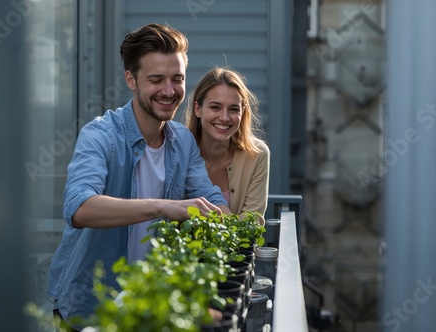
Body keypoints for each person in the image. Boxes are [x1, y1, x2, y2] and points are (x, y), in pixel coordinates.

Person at [47, 23, 230, 331]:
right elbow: (80, 208)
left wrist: (219, 217)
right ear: (131, 80)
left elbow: (212, 201)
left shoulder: (183, 141)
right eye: (156, 80)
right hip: (89, 307)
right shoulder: (100, 135)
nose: (169, 91)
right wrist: (164, 207)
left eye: (177, 79)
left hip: (148, 307)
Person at [184, 67, 270, 226]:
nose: (224, 117)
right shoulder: (179, 152)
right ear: (198, 109)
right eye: (215, 107)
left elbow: (253, 223)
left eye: (233, 109)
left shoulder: (257, 155)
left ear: (243, 112)